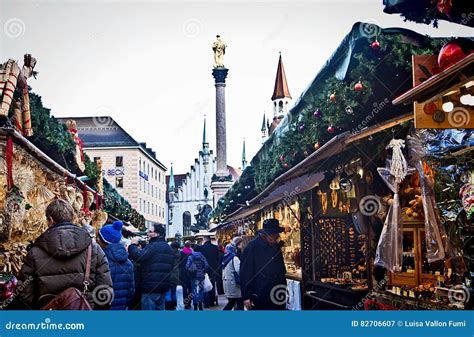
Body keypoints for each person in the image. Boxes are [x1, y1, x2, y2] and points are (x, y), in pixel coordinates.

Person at [19, 199, 112, 309]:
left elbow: (25, 294)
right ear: (72, 218)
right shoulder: (94, 249)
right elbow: (105, 293)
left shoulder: (34, 253)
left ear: (50, 220)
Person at [240, 218, 287, 310]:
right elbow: (245, 273)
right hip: (259, 293)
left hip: (277, 292)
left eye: (277, 234)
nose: (277, 237)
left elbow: (281, 269)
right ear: (265, 235)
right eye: (274, 235)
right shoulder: (252, 248)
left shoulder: (275, 247)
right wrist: (246, 296)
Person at [128, 224, 174, 310]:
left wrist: (133, 245)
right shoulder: (168, 248)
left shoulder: (153, 246)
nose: (148, 233)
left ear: (157, 234)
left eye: (150, 232)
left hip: (150, 287)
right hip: (162, 287)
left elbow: (139, 256)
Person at [97, 221, 135, 310]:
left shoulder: (101, 261)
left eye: (98, 237)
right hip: (122, 307)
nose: (97, 240)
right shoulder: (128, 263)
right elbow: (131, 291)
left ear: (104, 241)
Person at [222, 237, 244, 310]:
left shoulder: (225, 258)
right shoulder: (235, 258)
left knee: (232, 302)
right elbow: (239, 270)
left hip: (227, 283)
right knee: (239, 301)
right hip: (234, 284)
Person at [186, 244, 208, 310]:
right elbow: (206, 265)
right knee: (201, 290)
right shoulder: (202, 256)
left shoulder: (191, 256)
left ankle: (195, 305)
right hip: (201, 275)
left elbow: (187, 266)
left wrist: (191, 270)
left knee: (194, 290)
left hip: (193, 275)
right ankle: (200, 304)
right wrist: (203, 271)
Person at [200, 235, 220, 307]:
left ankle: (206, 301)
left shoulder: (201, 248)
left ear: (205, 240)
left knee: (205, 284)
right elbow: (218, 258)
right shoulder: (215, 247)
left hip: (204, 269)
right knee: (212, 284)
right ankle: (212, 300)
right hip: (213, 269)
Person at [179, 240, 193, 309]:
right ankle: (189, 301)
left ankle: (185, 303)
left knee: (184, 288)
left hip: (183, 273)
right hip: (191, 272)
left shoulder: (181, 253)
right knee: (190, 288)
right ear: (190, 246)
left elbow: (179, 264)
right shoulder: (192, 253)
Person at [167, 241, 181, 310]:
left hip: (168, 273)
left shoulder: (168, 253)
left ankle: (168, 305)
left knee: (168, 290)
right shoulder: (179, 253)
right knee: (174, 291)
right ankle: (174, 304)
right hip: (176, 273)